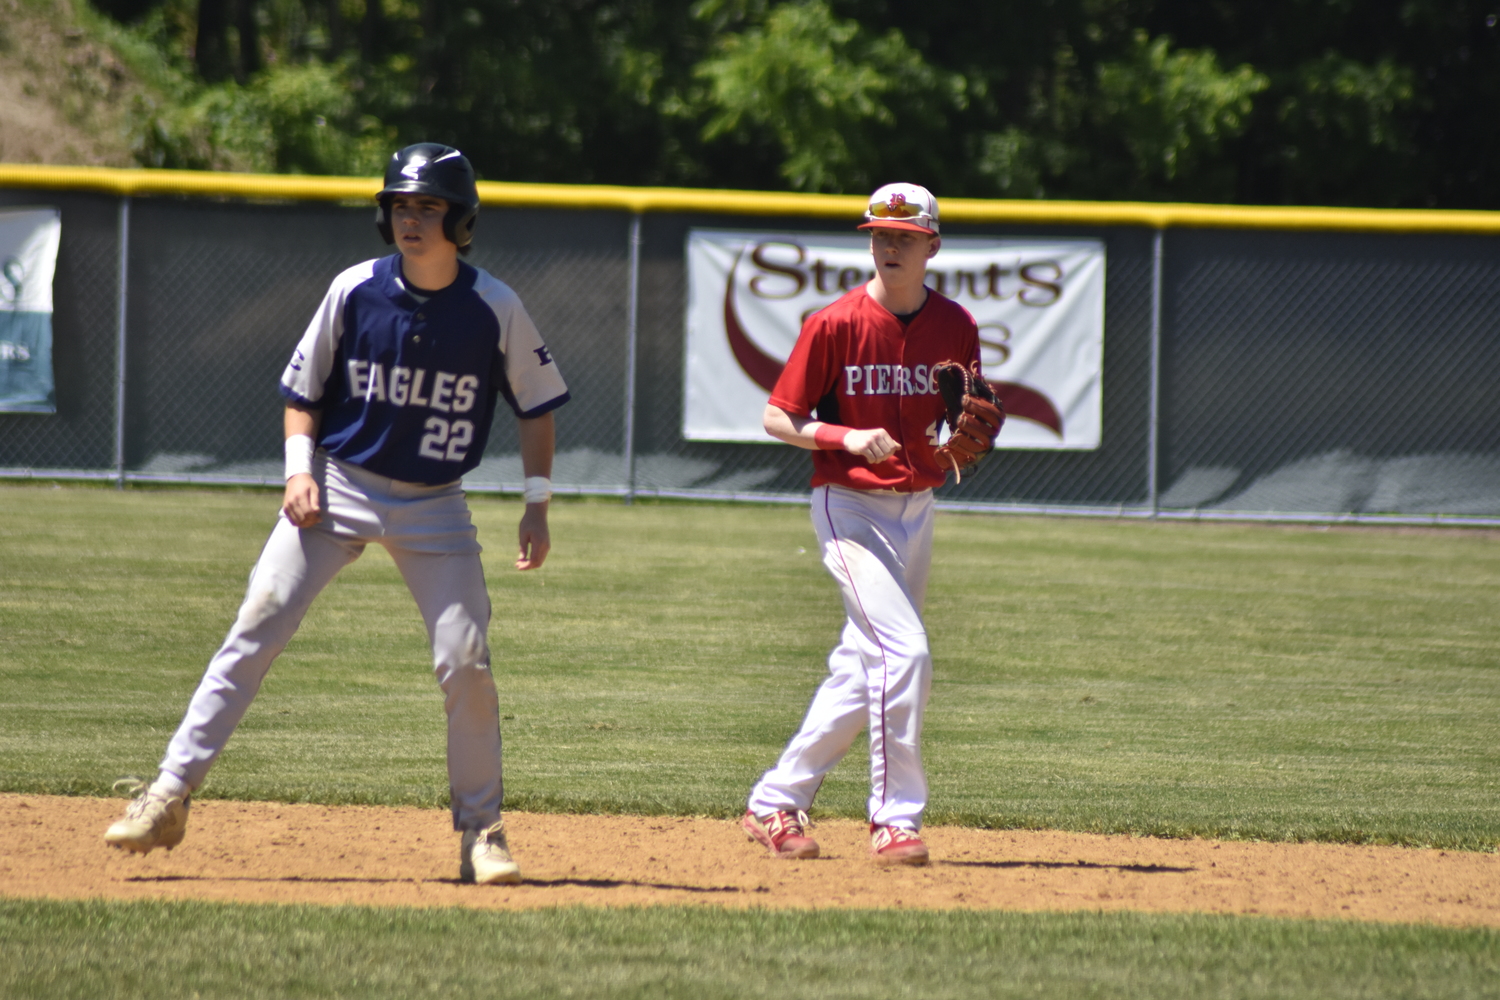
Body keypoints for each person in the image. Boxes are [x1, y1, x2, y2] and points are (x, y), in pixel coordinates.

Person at [104, 143, 569, 885]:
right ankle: (168, 795)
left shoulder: (495, 306)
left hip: (435, 505)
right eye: (401, 206)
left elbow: (538, 407)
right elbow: (303, 395)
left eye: (428, 206)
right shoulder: (355, 289)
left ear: (461, 221)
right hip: (339, 483)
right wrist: (298, 474)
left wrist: (537, 505)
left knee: (466, 663)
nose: (410, 218)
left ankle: (482, 833)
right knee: (258, 622)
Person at [742, 182, 998, 866]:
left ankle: (774, 800)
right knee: (904, 651)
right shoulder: (834, 323)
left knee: (865, 666)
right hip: (847, 504)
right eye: (880, 235)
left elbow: (959, 416)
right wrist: (845, 438)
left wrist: (955, 435)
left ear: (931, 247)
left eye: (905, 237)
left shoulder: (957, 325)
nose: (889, 245)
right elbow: (777, 417)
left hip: (918, 506)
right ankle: (895, 818)